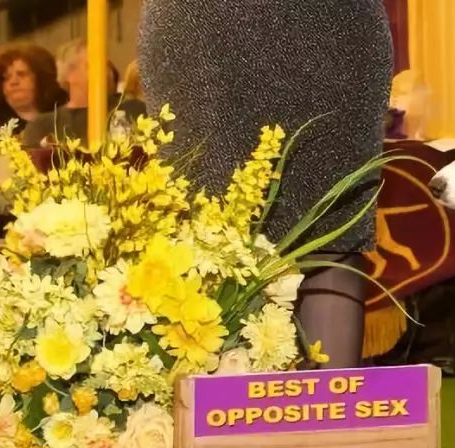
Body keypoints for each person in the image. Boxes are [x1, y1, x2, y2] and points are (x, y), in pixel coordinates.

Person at [137, 0, 393, 368]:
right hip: (200, 25)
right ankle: (221, 419)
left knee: (331, 233)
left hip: (335, 24)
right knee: (210, 242)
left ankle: (329, 417)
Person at [22, 39, 146, 147]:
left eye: (106, 64)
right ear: (70, 74)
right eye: (93, 64)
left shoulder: (133, 111)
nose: (105, 70)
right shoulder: (44, 126)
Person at [0, 44, 66, 152]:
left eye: (21, 74)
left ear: (41, 79)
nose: (13, 82)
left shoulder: (63, 121)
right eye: (5, 78)